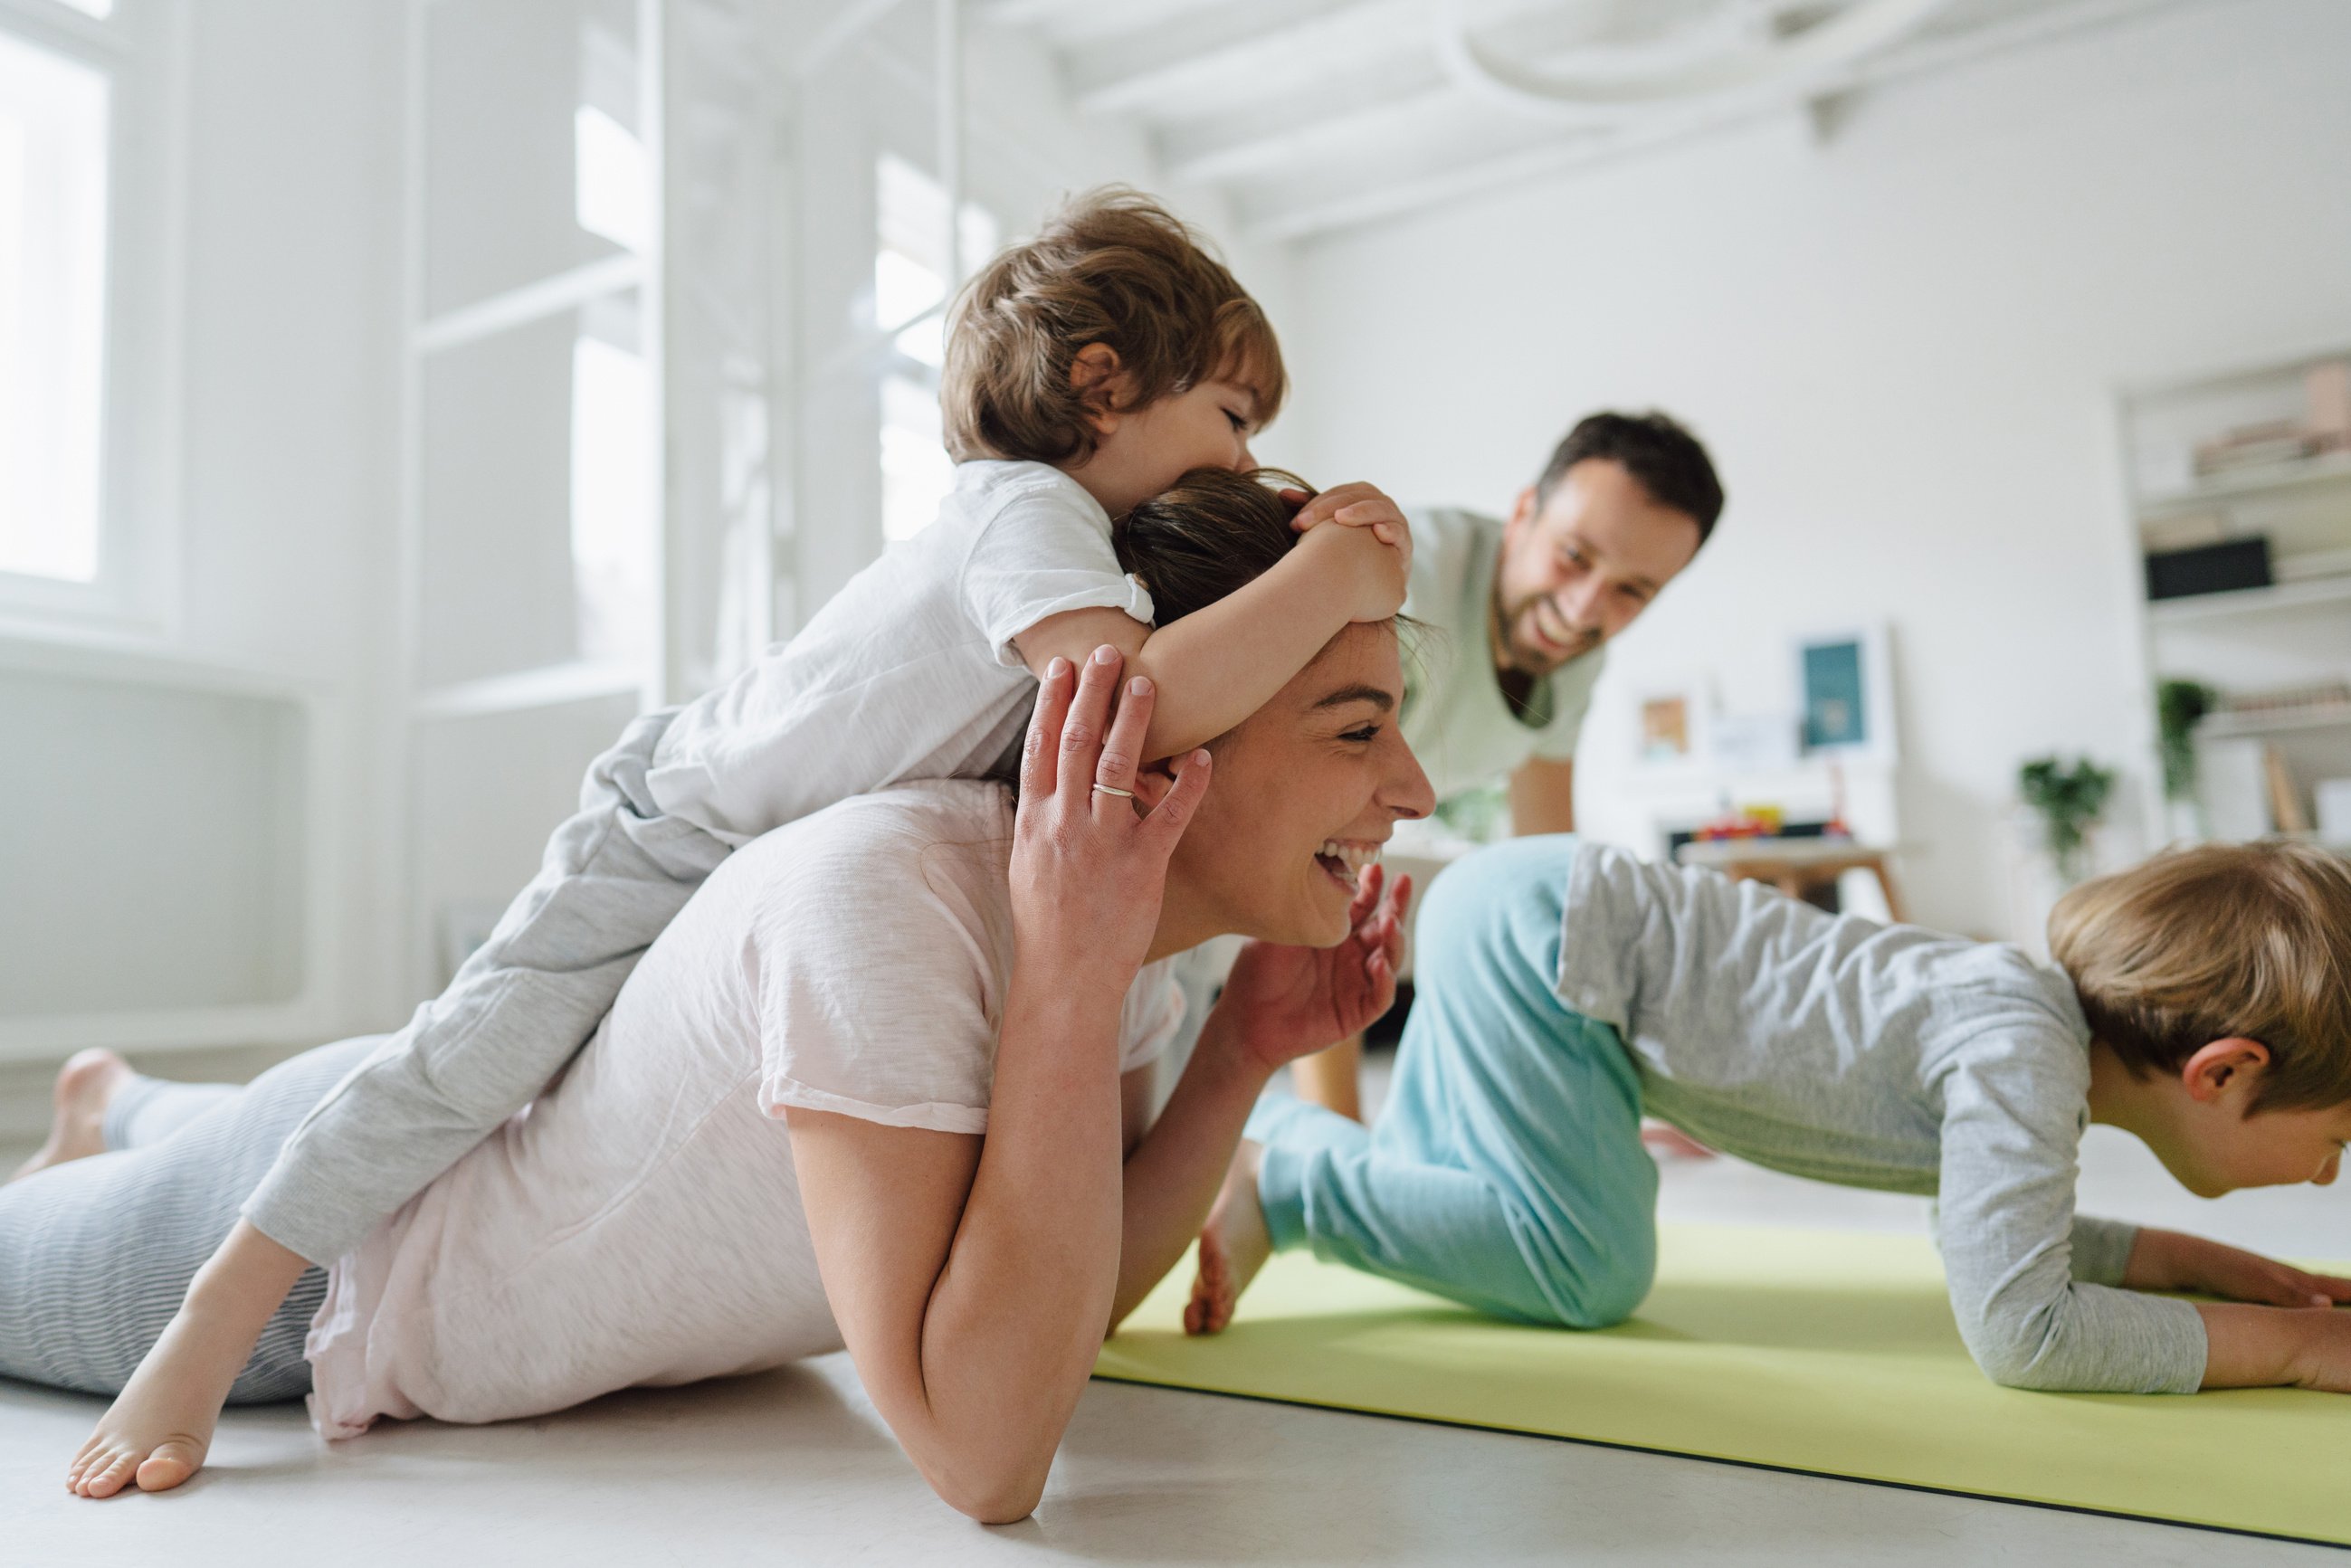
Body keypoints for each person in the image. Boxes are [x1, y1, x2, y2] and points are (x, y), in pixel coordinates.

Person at [47, 191, 1419, 1487]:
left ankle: (110, 1098)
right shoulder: (1025, 519)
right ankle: (207, 1311)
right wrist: (1331, 572)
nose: (1247, 459)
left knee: (431, 1079)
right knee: (459, 1062)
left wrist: (1236, 1048)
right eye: (1233, 419)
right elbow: (1133, 708)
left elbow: (1075, 1287)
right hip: (635, 865)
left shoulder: (1089, 865)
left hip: (489, 1111)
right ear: (1105, 384)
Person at [1189, 834, 2351, 1397]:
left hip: (1533, 911)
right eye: (2336, 1142)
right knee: (1584, 1268)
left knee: (1489, 1212)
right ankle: (1285, 1170)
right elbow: (2024, 1331)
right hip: (1549, 945)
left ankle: (1300, 1172)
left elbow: (1999, 1236)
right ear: (2223, 1071)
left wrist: (2202, 1267)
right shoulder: (2026, 1057)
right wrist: (2299, 1350)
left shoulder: (2028, 1038)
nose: (2323, 1178)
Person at [1288, 410, 1725, 1117]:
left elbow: (1547, 864)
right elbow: (1308, 836)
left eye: (1631, 591)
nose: (1585, 608)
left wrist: (1618, 1093)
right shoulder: (1399, 583)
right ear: (1523, 513)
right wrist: (1339, 1135)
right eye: (1575, 556)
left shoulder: (1578, 665)